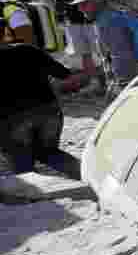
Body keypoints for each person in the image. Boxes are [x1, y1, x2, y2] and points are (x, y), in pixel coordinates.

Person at [0, 28, 86, 179]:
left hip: (12, 119)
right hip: (49, 112)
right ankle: (89, 176)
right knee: (48, 152)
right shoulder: (28, 49)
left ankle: (32, 197)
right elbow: (64, 74)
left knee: (22, 160)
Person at [70, 0, 138, 99]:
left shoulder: (110, 22)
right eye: (79, 5)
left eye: (84, 4)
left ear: (98, 2)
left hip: (134, 79)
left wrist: (121, 83)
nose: (80, 9)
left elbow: (121, 54)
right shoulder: (108, 18)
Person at [55, 0, 101, 89]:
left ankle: (110, 79)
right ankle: (94, 83)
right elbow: (58, 7)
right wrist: (63, 5)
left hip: (93, 23)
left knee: (102, 51)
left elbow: (100, 2)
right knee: (85, 54)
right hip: (73, 24)